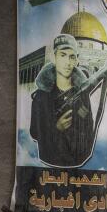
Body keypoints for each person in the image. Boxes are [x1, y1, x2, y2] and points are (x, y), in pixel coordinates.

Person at [29, 33, 97, 167]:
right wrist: (56, 128)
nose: (68, 62)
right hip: (50, 162)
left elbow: (89, 129)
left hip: (79, 163)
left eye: (72, 56)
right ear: (54, 58)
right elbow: (34, 133)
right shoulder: (41, 97)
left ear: (76, 60)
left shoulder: (82, 95)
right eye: (63, 55)